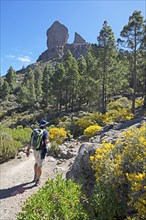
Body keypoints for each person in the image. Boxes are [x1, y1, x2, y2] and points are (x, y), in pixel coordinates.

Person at [26, 120, 49, 186]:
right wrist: (48, 141)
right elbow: (46, 141)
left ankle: (35, 176)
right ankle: (38, 180)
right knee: (40, 165)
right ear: (45, 125)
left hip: (35, 150)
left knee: (36, 163)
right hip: (42, 151)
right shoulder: (45, 132)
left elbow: (30, 141)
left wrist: (28, 149)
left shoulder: (34, 131)